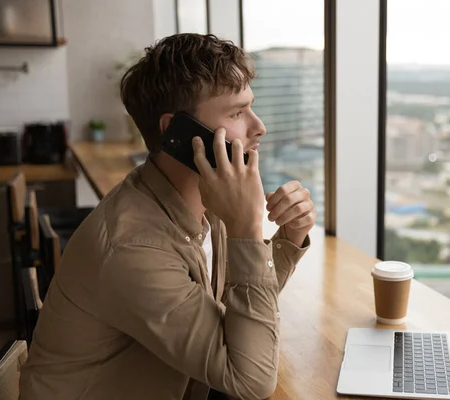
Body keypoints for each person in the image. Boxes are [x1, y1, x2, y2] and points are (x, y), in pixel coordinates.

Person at [19, 33, 315, 400]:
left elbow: (235, 305)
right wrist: (247, 227)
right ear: (176, 131)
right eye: (237, 113)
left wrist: (288, 238)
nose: (259, 127)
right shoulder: (133, 247)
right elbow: (250, 379)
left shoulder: (206, 201)